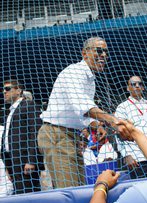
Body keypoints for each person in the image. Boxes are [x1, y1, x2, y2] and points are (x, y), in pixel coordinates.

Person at [38, 37, 130, 189]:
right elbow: (81, 104)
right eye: (99, 51)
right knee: (69, 188)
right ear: (85, 53)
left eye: (106, 52)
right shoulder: (75, 72)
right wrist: (111, 120)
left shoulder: (90, 80)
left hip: (71, 136)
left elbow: (81, 112)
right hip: (56, 133)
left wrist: (95, 126)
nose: (104, 55)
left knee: (79, 186)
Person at [1, 80, 45, 194]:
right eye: (3, 90)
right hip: (13, 162)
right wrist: (8, 166)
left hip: (25, 162)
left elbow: (35, 132)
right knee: (20, 195)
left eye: (7, 89)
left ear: (18, 90)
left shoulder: (28, 105)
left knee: (29, 195)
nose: (4, 92)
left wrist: (31, 160)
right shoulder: (10, 111)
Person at [115, 75, 147, 179]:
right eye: (133, 84)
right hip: (137, 157)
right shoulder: (122, 107)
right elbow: (119, 134)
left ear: (143, 87)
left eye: (140, 84)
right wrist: (126, 155)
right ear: (128, 88)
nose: (137, 86)